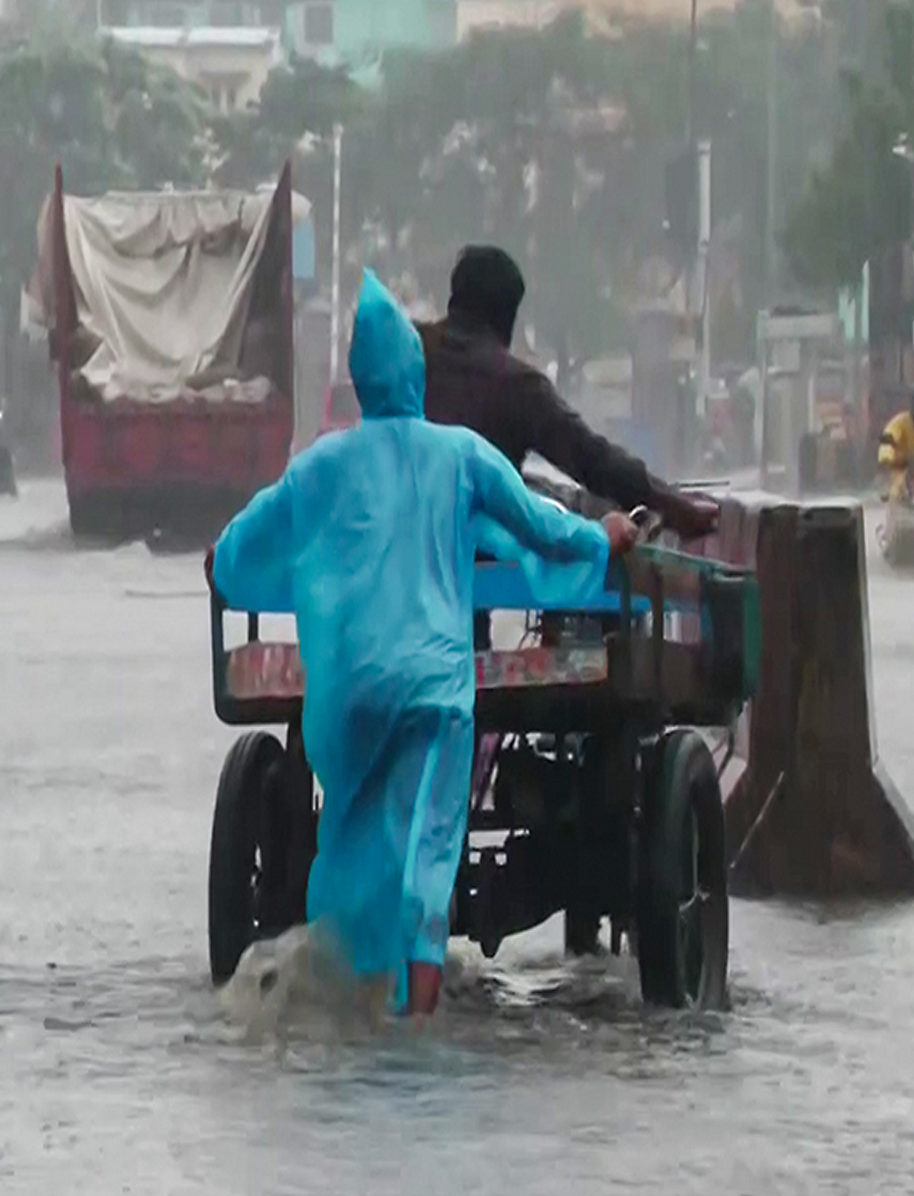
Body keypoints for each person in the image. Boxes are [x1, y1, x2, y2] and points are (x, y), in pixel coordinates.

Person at [208, 272, 637, 1017]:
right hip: (433, 694)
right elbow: (540, 525)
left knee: (344, 843)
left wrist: (221, 561)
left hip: (345, 699)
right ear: (413, 372)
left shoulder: (322, 464)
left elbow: (243, 544)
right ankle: (413, 1025)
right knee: (426, 857)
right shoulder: (459, 456)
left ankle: (346, 999)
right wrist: (603, 538)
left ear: (360, 378)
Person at [417, 245, 719, 542]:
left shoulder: (408, 352)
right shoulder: (516, 385)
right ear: (509, 315)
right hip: (479, 558)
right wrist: (676, 507)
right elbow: (593, 460)